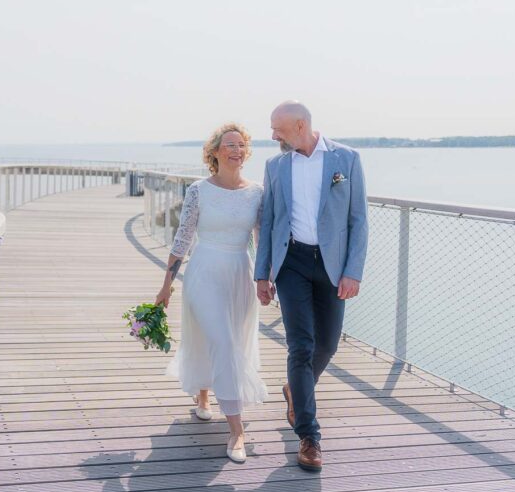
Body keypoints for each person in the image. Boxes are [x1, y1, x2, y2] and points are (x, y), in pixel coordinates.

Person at [254, 101, 368, 471]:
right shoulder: (275, 166)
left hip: (333, 266)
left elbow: (359, 220)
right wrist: (262, 274)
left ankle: (295, 389)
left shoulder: (346, 159)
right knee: (300, 346)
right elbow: (269, 221)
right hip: (292, 264)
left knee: (328, 345)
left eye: (277, 128)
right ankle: (309, 436)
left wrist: (353, 271)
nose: (272, 135)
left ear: (300, 124)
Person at [156, 122, 268, 463]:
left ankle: (204, 397)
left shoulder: (258, 193)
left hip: (240, 274)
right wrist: (165, 286)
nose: (235, 150)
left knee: (225, 337)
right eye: (229, 145)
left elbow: (261, 242)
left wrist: (267, 279)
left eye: (241, 145)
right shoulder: (198, 191)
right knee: (222, 340)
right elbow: (183, 239)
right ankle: (237, 432)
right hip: (204, 271)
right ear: (215, 152)